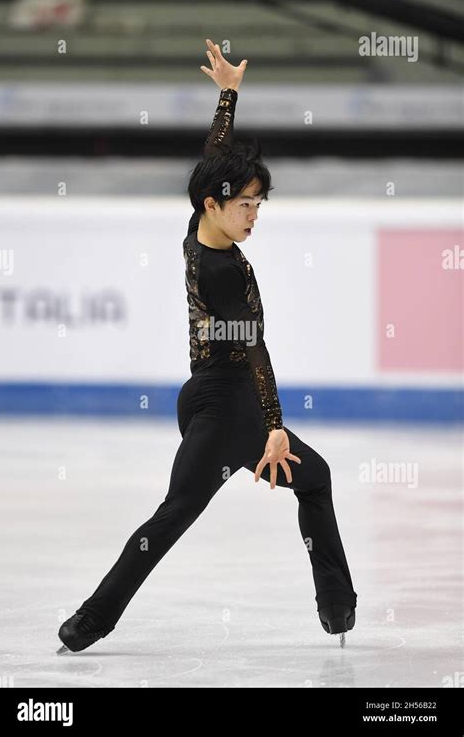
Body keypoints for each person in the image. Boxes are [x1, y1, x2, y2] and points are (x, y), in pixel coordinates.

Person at [56, 39, 357, 655]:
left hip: (203, 398)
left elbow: (214, 157)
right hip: (230, 413)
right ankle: (90, 621)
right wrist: (274, 427)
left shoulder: (197, 225)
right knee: (178, 515)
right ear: (215, 205)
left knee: (269, 490)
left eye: (258, 203)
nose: (254, 216)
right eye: (245, 205)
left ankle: (336, 607)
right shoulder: (223, 272)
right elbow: (255, 349)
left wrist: (228, 95)